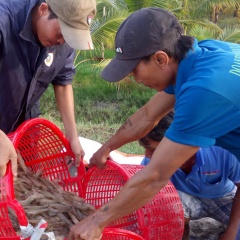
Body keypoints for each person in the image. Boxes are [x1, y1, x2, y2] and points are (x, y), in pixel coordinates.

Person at [68, 7, 240, 240]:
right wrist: (105, 148)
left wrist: (96, 222)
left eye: (134, 70)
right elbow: (148, 115)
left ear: (161, 58)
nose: (135, 79)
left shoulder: (204, 92)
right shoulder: (204, 55)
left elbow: (156, 175)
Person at [0, 0, 96, 172]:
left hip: (24, 125)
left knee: (22, 183)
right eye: (60, 33)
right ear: (44, 9)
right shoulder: (4, 20)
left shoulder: (62, 41)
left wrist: (72, 136)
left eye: (68, 38)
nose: (61, 42)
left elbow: (63, 81)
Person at [138, 114, 240, 240]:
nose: (147, 155)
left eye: (152, 150)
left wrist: (231, 234)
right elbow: (137, 184)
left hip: (223, 197)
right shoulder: (152, 162)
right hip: (185, 197)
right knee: (166, 208)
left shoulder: (220, 150)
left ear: (176, 144)